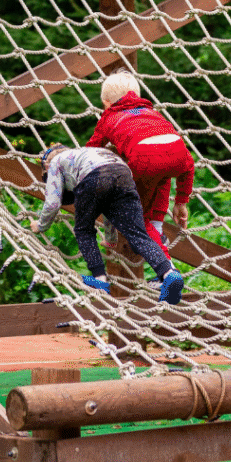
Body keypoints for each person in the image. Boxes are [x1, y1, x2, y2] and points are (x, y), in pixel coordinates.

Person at [30, 145, 186, 305]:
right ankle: (169, 274)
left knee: (84, 230)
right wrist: (111, 239)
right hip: (124, 175)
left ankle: (100, 279)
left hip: (94, 176)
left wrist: (40, 225)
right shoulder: (87, 153)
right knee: (137, 233)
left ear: (46, 166)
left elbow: (52, 203)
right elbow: (108, 208)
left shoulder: (54, 162)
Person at [85, 71, 194, 261]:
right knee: (162, 173)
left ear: (106, 103)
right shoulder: (153, 113)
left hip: (145, 160)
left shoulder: (108, 118)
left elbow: (91, 150)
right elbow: (186, 164)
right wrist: (181, 201)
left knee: (137, 217)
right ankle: (157, 229)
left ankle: (166, 266)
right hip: (179, 154)